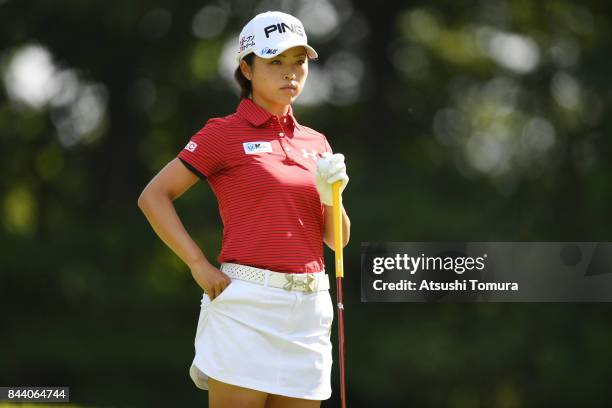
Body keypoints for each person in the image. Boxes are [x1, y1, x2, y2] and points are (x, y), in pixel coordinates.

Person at [137, 10, 350, 408]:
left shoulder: (316, 142)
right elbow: (154, 196)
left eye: (299, 62)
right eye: (275, 62)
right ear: (247, 69)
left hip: (308, 309)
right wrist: (197, 263)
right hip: (247, 302)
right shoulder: (223, 133)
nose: (291, 73)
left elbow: (338, 240)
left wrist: (330, 194)